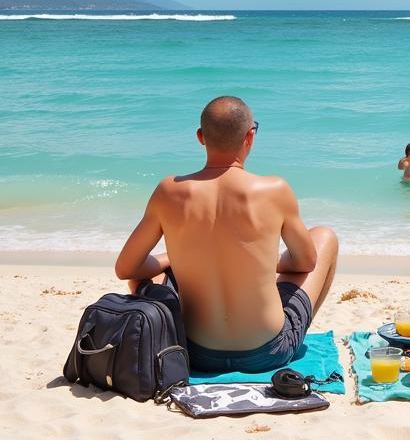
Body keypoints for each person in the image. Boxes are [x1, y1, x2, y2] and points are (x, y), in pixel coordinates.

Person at [114, 96, 339, 373]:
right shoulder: (274, 190)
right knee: (324, 236)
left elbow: (127, 268)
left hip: (194, 352)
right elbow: (306, 262)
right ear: (250, 136)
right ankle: (290, 327)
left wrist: (173, 257)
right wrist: (269, 262)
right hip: (269, 351)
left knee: (144, 279)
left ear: (200, 137)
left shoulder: (169, 191)